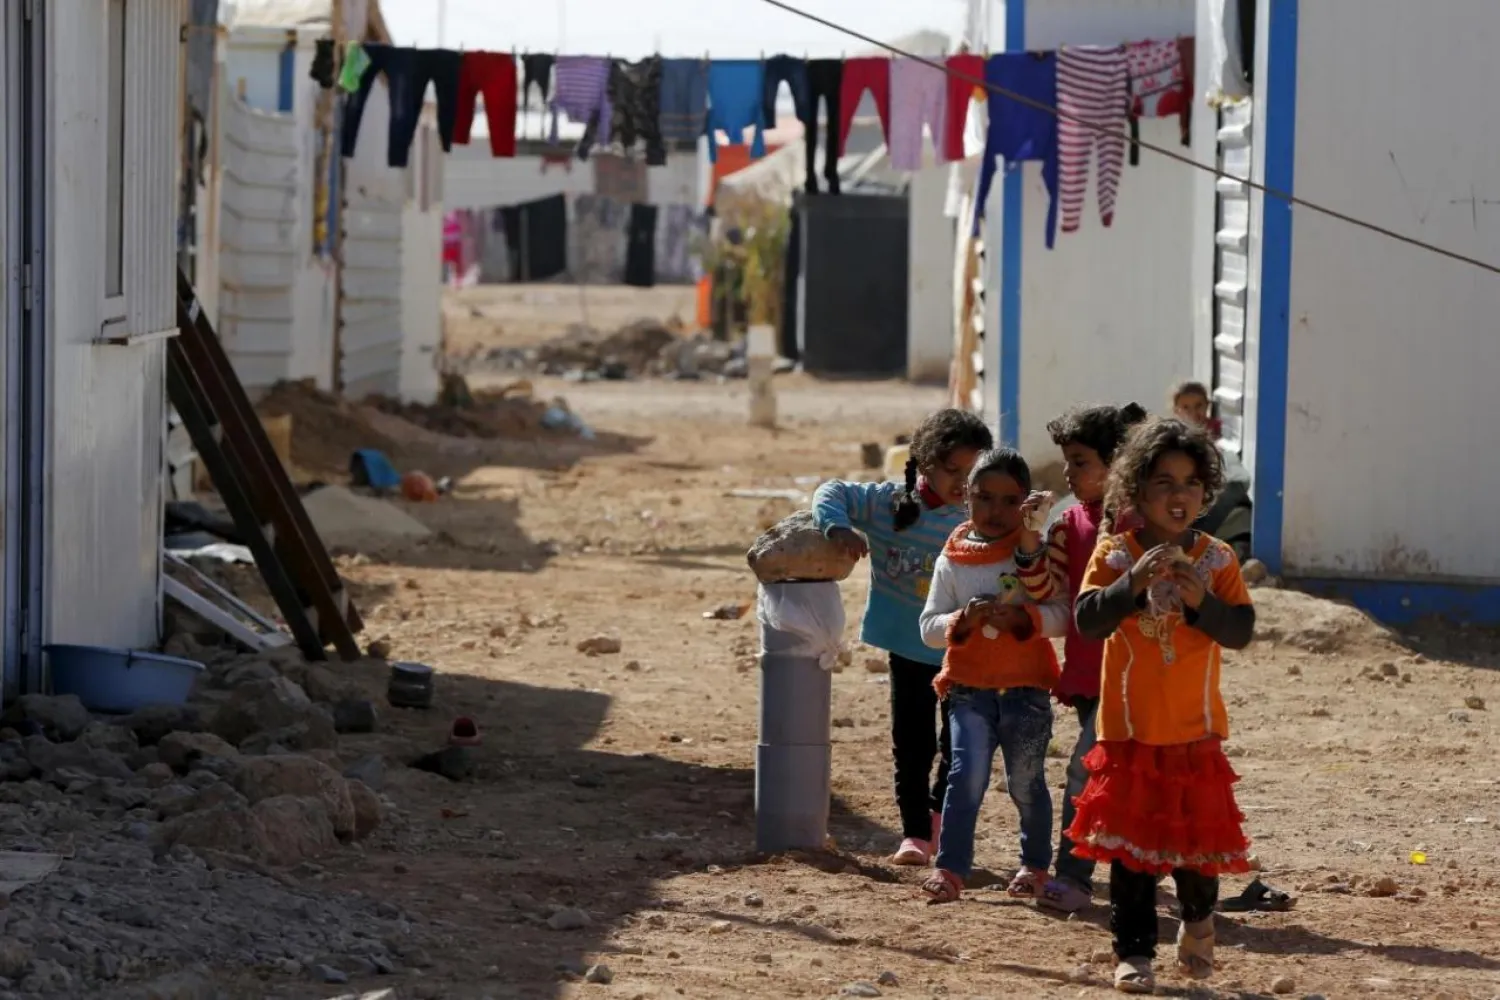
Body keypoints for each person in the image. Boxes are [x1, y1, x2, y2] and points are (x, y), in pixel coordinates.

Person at [1066, 417, 1256, 994]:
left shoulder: (1217, 559)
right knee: (1132, 854)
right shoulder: (1114, 554)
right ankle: (1133, 953)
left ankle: (1198, 924)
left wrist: (1201, 604)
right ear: (1136, 493)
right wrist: (1130, 587)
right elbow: (1087, 620)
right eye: (1163, 483)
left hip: (1194, 732)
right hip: (1130, 733)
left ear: (1206, 493)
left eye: (1191, 483)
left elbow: (1241, 630)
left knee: (1198, 851)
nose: (1179, 496)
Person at [813, 409, 994, 866]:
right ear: (926, 462)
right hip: (909, 651)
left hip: (964, 651)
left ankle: (939, 823)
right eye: (952, 471)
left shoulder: (980, 519)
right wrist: (838, 527)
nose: (960, 483)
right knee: (912, 745)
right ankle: (915, 834)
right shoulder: (890, 504)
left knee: (959, 747)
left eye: (971, 473)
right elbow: (830, 491)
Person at [914, 449, 1069, 903]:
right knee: (965, 777)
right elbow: (928, 628)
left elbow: (1060, 614)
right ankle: (951, 869)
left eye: (1008, 501)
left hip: (1025, 691)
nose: (995, 511)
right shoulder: (954, 557)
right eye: (984, 498)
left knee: (1026, 781)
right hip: (968, 690)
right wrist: (962, 619)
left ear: (1024, 503)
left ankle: (1035, 865)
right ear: (966, 498)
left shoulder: (1031, 554)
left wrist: (1024, 620)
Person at [1014, 402, 1147, 913]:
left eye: (1080, 461)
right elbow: (1047, 588)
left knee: (1091, 774)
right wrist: (1030, 538)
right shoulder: (1070, 524)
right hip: (1093, 675)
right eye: (1068, 462)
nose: (1069, 473)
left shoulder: (1144, 525)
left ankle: (1080, 873)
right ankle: (1091, 871)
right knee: (1097, 774)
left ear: (1117, 463)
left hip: (1140, 679)